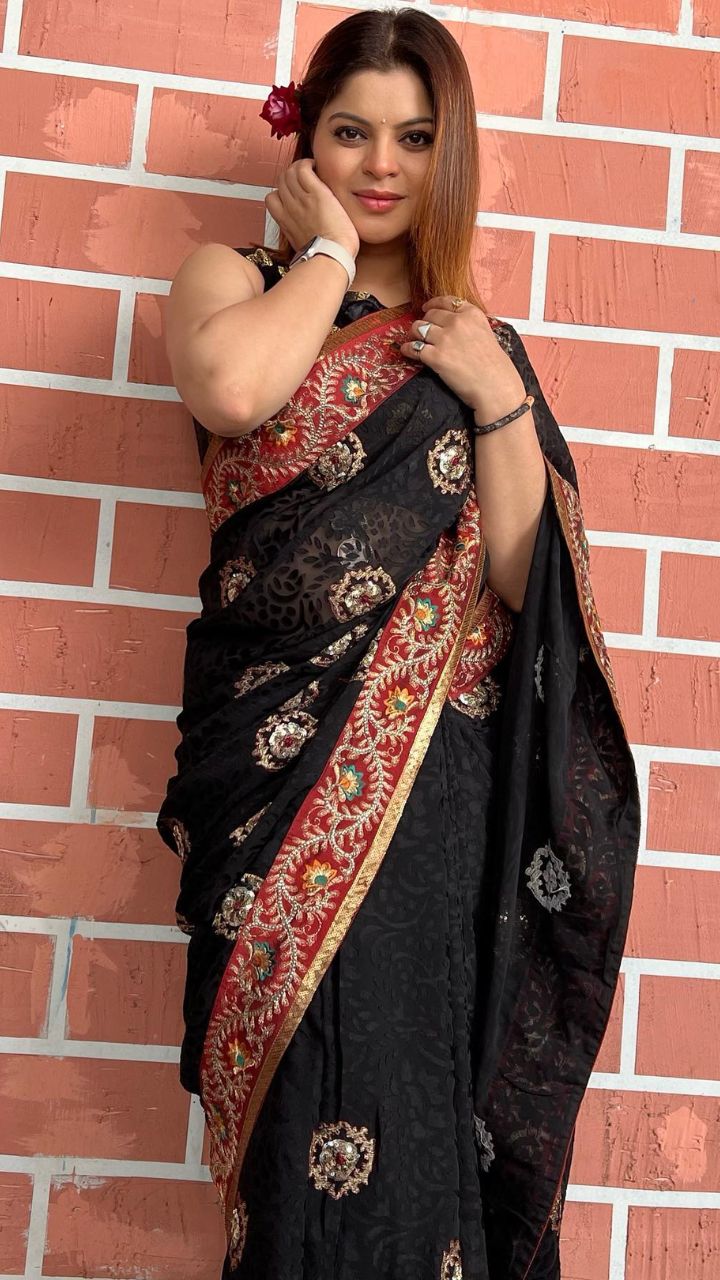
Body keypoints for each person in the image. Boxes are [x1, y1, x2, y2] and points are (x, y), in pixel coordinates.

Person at [156, 8, 641, 1279]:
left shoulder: (479, 347)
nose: (381, 165)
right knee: (295, 1144)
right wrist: (324, 253)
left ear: (450, 153)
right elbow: (234, 390)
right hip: (267, 792)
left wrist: (497, 392)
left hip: (427, 809)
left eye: (416, 138)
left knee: (416, 1132)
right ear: (305, 142)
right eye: (351, 132)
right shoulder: (230, 280)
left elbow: (528, 583)